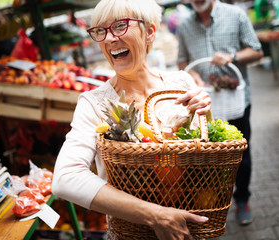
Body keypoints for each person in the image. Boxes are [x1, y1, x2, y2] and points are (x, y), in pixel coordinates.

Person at [52, 0, 212, 239]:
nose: (108, 39)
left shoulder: (182, 84)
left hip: (193, 226)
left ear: (149, 32)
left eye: (119, 26)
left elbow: (210, 154)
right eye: (100, 31)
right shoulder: (93, 103)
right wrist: (156, 215)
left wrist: (206, 112)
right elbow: (65, 178)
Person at [177, 0, 263, 225]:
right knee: (204, 157)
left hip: (235, 101)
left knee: (240, 154)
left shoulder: (235, 15)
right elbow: (182, 60)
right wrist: (192, 76)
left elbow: (256, 51)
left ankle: (242, 198)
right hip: (202, 105)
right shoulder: (185, 25)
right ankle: (211, 204)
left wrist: (232, 57)